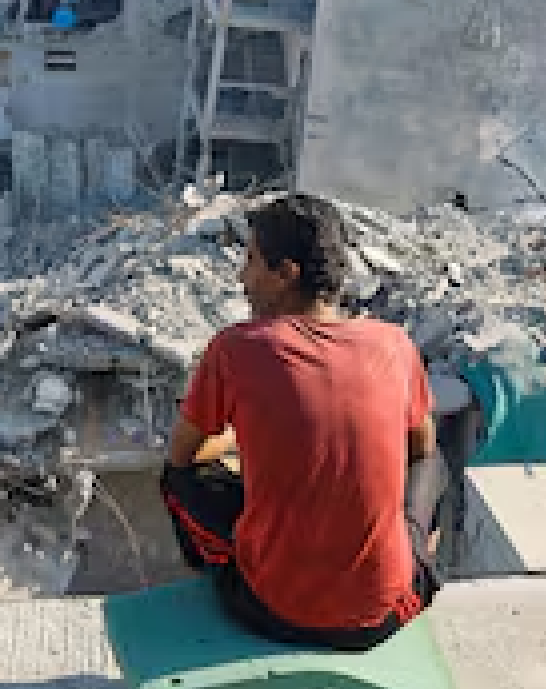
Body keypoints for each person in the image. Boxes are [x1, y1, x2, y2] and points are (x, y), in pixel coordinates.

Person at [160, 193, 439, 652]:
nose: (242, 278)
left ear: (286, 273)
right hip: (384, 614)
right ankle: (418, 555)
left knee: (177, 482)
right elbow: (422, 448)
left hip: (273, 610)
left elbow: (181, 455)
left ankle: (228, 569)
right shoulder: (393, 343)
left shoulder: (236, 347)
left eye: (252, 262)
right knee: (432, 463)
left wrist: (241, 441)